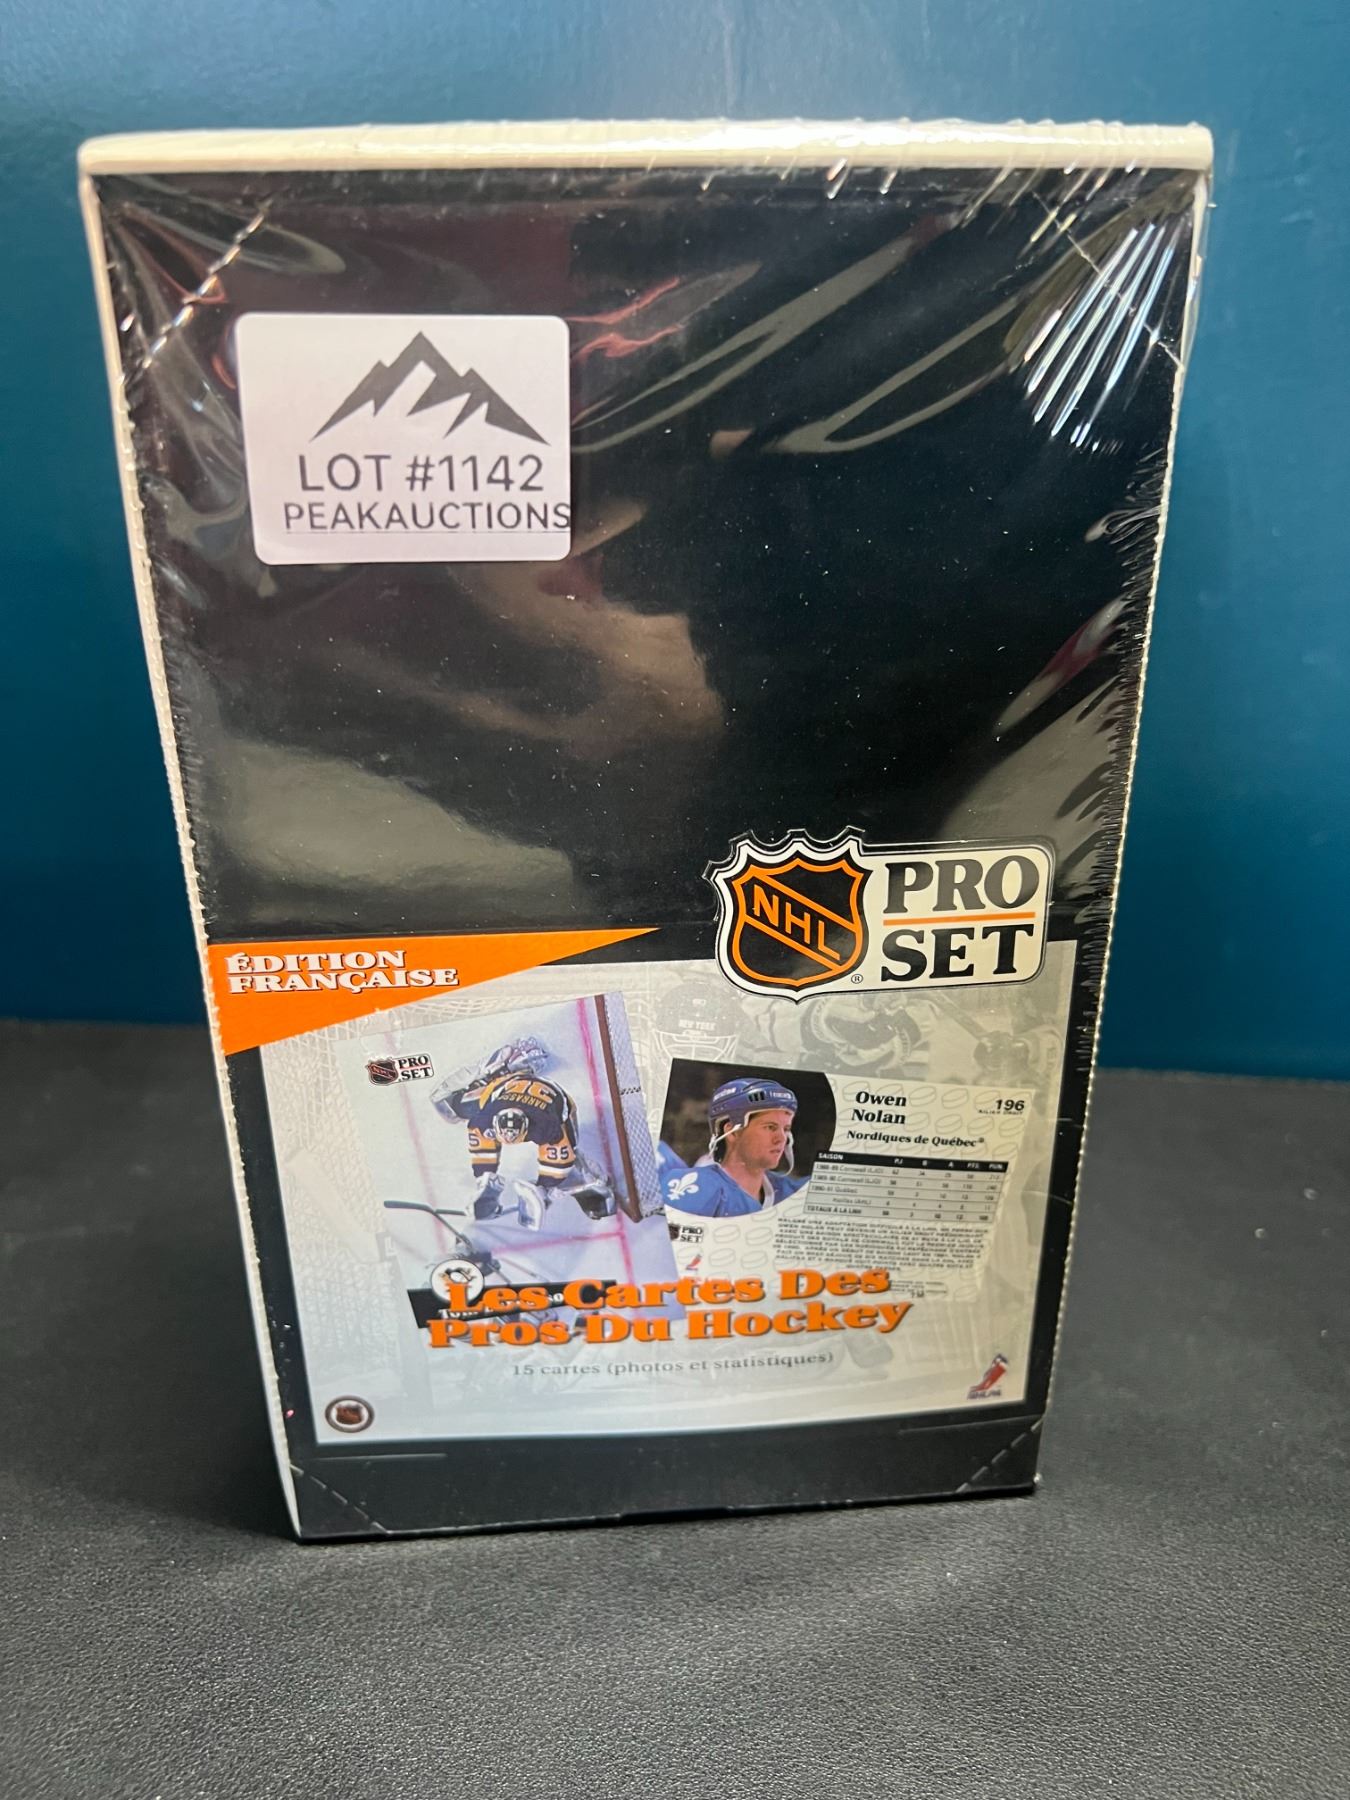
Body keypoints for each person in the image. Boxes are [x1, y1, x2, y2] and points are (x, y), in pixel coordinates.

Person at [429, 1039, 614, 1230]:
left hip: (557, 1100)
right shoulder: (484, 1118)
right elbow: (483, 1147)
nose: (508, 1140)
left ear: (527, 1127)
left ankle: (587, 1176)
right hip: (507, 1085)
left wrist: (545, 1187)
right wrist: (485, 1179)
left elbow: (559, 1161)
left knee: (569, 1155)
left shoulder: (546, 1127)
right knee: (444, 1104)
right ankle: (503, 1070)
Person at [662, 1077, 804, 1218]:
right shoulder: (699, 1185)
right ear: (732, 1131)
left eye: (786, 1129)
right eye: (770, 1127)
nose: (781, 1138)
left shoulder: (793, 1190)